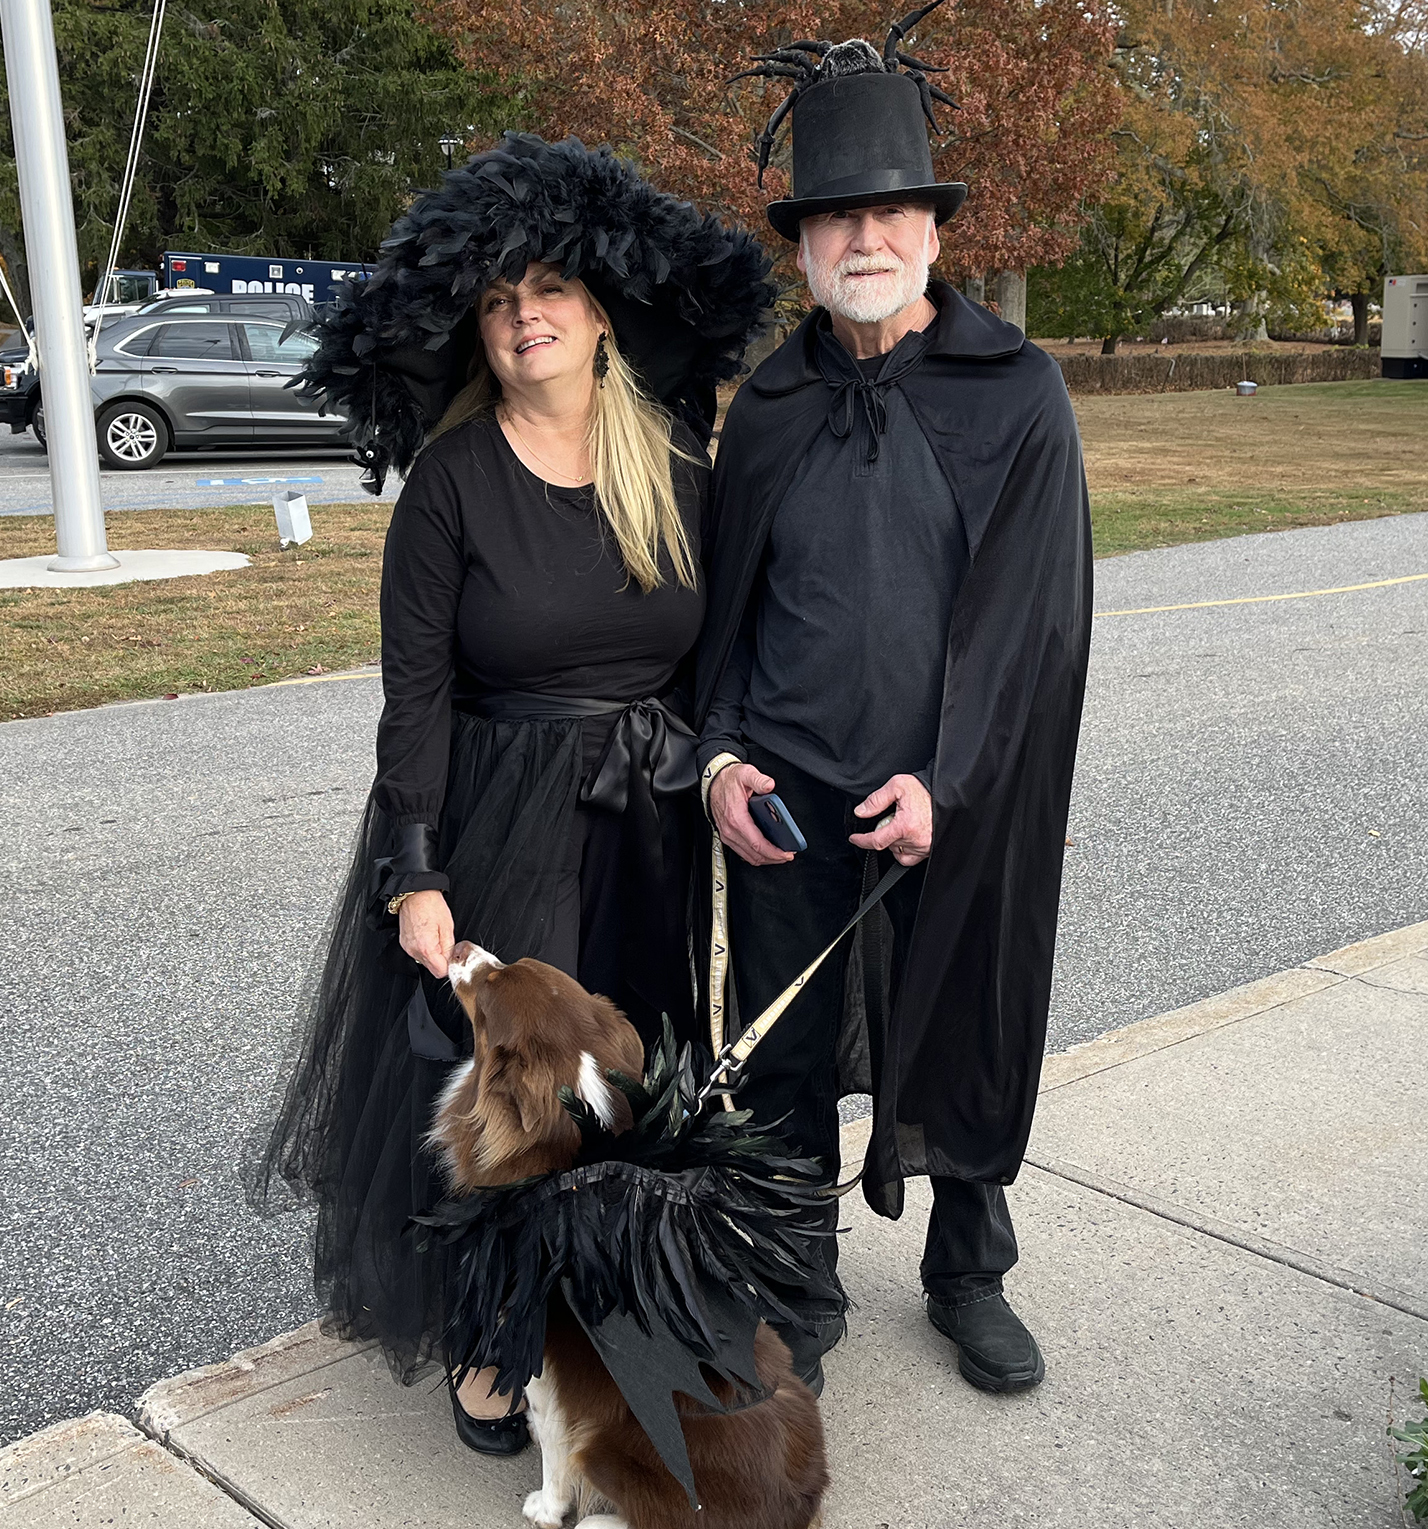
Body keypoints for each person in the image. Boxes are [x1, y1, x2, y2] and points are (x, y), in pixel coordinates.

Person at [249, 134, 771, 1455]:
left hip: (649, 820)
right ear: (479, 331)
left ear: (599, 310)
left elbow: (718, 661)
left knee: (634, 1083)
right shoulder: (452, 485)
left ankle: (608, 1316)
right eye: (497, 299)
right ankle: (494, 1340)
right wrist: (413, 866)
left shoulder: (676, 466)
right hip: (502, 822)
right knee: (523, 1100)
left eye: (546, 287)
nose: (524, 312)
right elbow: (412, 691)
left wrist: (722, 770)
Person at [697, 19, 1093, 1394]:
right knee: (787, 1053)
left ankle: (967, 1267)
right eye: (834, 218)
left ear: (932, 229)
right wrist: (723, 762)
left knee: (969, 1025)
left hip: (954, 793)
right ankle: (800, 1286)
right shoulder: (772, 408)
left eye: (889, 211)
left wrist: (954, 781)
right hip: (793, 794)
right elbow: (726, 620)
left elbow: (1038, 629)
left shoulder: (1017, 396)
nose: (863, 238)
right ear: (800, 247)